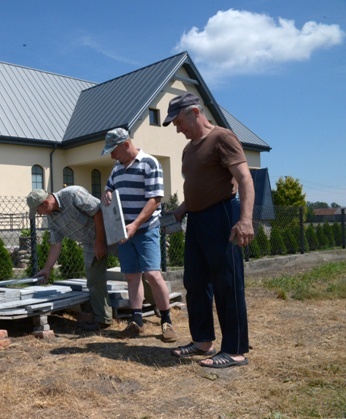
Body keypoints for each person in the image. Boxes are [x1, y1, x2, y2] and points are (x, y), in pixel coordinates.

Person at [163, 92, 254, 368]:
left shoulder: (222, 138)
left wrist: (246, 219)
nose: (178, 128)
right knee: (195, 282)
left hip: (222, 215)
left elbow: (245, 178)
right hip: (197, 220)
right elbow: (198, 183)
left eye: (179, 121)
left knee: (228, 282)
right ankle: (203, 341)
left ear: (195, 112)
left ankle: (235, 350)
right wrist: (182, 208)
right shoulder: (189, 148)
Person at [101, 128, 177, 343]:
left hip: (145, 229)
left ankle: (166, 321)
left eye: (113, 150)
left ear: (126, 144)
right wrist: (107, 192)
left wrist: (135, 224)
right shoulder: (117, 168)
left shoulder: (150, 163)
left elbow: (154, 200)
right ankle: (136, 322)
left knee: (152, 275)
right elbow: (109, 188)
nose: (111, 155)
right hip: (125, 232)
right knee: (132, 276)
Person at [26, 186, 113, 331]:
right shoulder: (52, 219)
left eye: (38, 211)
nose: (39, 215)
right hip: (90, 243)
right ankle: (103, 319)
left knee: (135, 268)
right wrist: (47, 269)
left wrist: (100, 241)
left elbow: (98, 211)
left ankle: (158, 303)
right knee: (94, 279)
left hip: (110, 231)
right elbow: (56, 245)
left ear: (45, 204)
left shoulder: (72, 194)